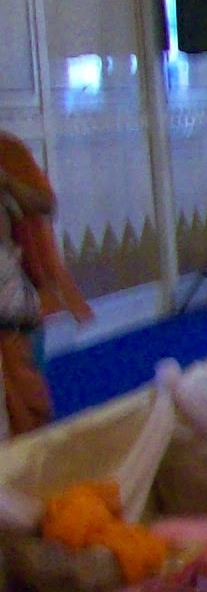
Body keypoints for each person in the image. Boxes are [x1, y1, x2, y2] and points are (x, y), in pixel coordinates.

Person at [0, 129, 92, 434]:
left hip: (17, 297)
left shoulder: (9, 150)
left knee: (27, 396)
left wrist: (7, 182)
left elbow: (46, 204)